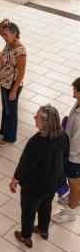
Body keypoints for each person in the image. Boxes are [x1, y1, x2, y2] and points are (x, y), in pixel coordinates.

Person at [10, 105, 69, 248]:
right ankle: (43, 229)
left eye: (37, 117)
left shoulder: (36, 142)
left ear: (46, 122)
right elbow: (65, 157)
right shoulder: (63, 136)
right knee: (46, 205)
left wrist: (15, 180)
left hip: (35, 187)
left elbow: (26, 165)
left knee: (29, 211)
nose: (34, 118)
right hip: (53, 183)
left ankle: (26, 237)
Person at [0, 20, 27, 147]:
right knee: (5, 108)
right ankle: (3, 131)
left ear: (15, 34)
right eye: (4, 35)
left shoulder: (20, 51)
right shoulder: (9, 43)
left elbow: (21, 73)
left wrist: (14, 90)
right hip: (4, 82)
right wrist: (4, 21)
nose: (4, 37)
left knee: (11, 112)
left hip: (13, 85)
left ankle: (10, 137)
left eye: (6, 35)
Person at [52, 77, 80, 223]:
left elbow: (76, 144)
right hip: (72, 153)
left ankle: (71, 212)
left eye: (75, 89)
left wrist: (65, 155)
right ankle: (75, 200)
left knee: (74, 183)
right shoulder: (78, 104)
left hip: (75, 157)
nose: (73, 91)